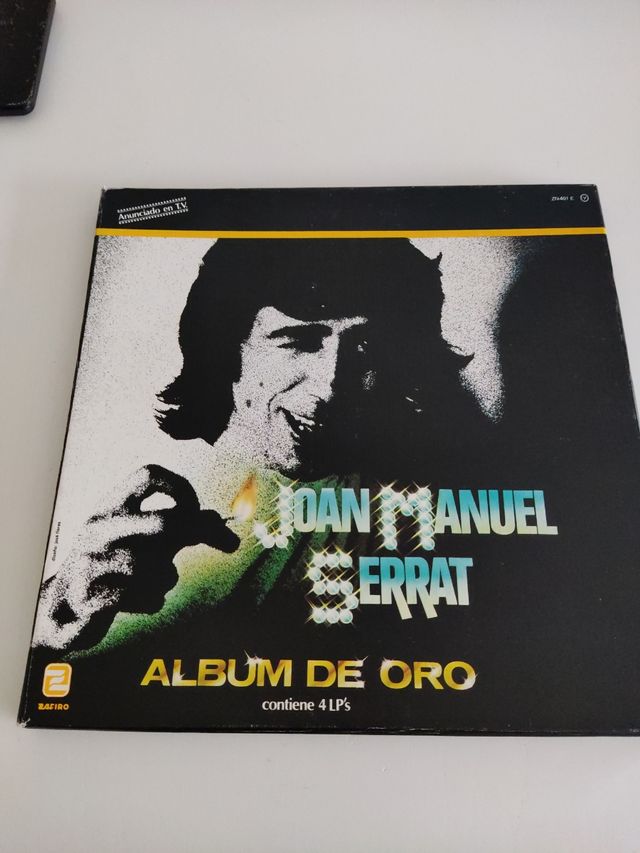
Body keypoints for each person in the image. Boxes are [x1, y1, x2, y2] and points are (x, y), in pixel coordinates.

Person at [33, 238, 475, 652]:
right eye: (299, 342)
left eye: (365, 348)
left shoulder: (408, 489)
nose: (329, 385)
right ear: (228, 348)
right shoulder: (118, 466)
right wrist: (55, 617)